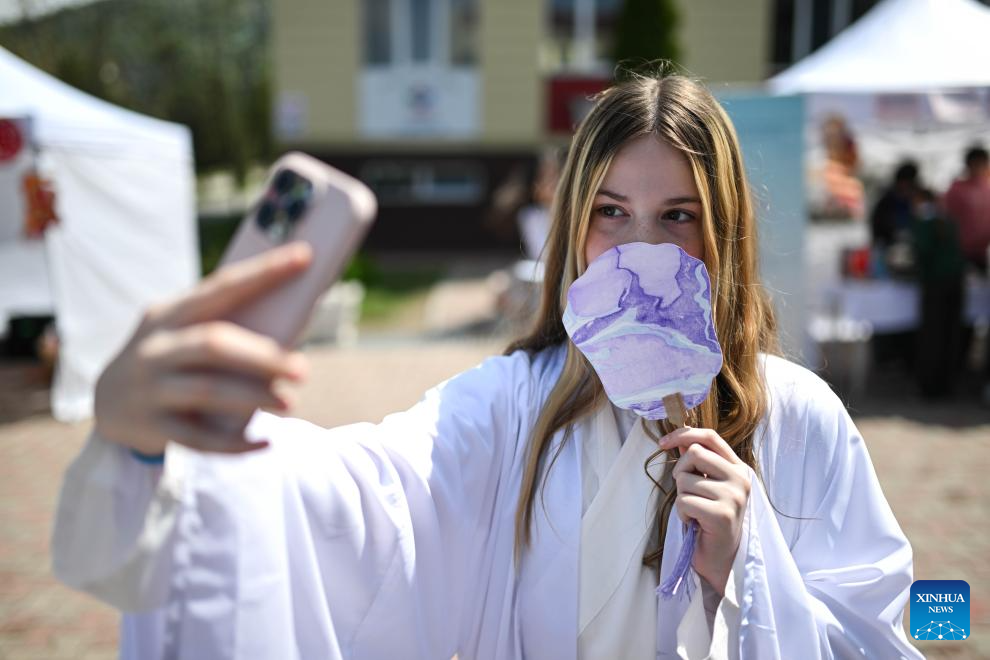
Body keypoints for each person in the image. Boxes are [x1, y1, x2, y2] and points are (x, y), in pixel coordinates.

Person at [51, 74, 923, 659]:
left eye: (678, 216)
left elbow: (878, 636)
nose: (640, 252)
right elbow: (373, 499)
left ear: (724, 230)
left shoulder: (799, 416)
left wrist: (746, 565)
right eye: (611, 212)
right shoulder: (513, 409)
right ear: (573, 228)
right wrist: (168, 448)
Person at [944, 145, 990, 272]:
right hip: (961, 252)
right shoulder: (957, 189)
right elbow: (946, 218)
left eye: (982, 164)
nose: (978, 169)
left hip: (984, 251)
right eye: (975, 164)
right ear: (968, 165)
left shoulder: (987, 188)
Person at [871, 160, 920, 248]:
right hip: (889, 246)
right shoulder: (886, 202)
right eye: (907, 184)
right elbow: (879, 227)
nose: (908, 189)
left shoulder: (916, 199)